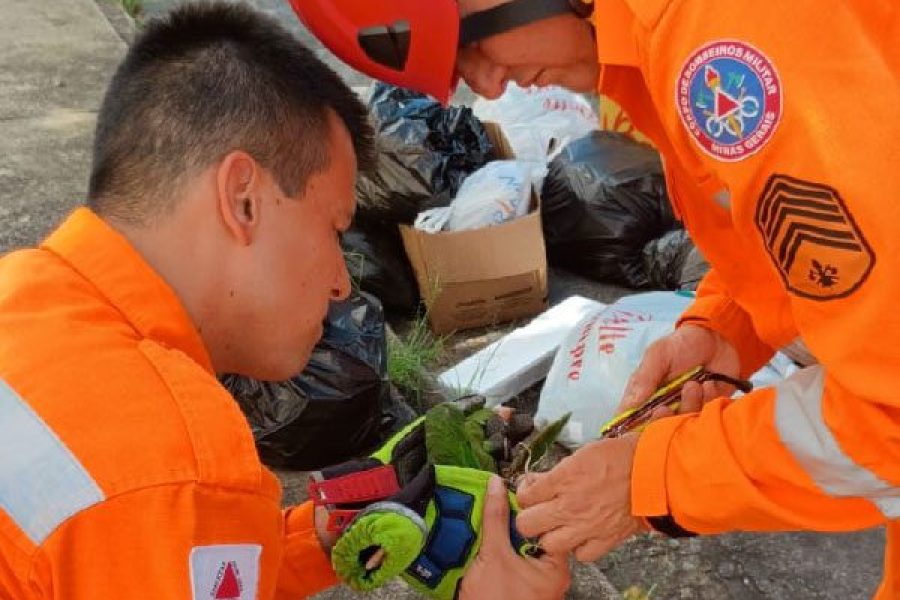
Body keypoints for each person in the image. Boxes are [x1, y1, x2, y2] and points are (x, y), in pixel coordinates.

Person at [293, 0, 900, 597]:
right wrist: (723, 326)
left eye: (469, 44)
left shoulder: (737, 45)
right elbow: (808, 238)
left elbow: (889, 415)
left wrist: (653, 478)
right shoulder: (662, 38)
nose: (490, 85)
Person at [0, 3, 569, 599]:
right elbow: (151, 513)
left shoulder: (27, 297)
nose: (342, 285)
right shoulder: (171, 468)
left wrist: (321, 536)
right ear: (242, 199)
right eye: (334, 230)